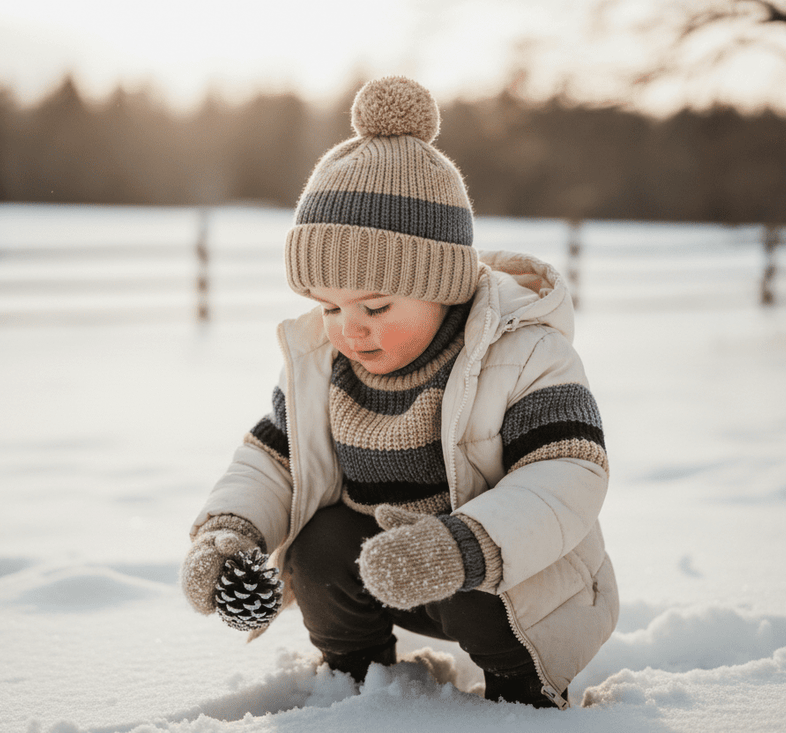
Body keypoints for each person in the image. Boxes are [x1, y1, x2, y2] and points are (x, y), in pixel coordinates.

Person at [181, 76, 618, 710]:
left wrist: (460, 547)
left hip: (510, 578)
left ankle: (522, 699)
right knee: (319, 544)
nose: (348, 330)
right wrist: (229, 531)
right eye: (329, 306)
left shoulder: (524, 353)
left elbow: (569, 473)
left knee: (490, 598)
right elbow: (274, 461)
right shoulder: (324, 364)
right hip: (380, 569)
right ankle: (355, 679)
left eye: (376, 306)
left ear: (443, 284)